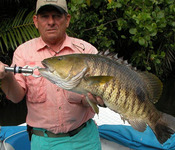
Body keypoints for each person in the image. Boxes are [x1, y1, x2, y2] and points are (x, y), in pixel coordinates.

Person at [0, 0, 104, 149]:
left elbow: (87, 99)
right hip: (44, 141)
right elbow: (16, 97)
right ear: (36, 21)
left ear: (67, 20)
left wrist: (94, 99)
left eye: (56, 16)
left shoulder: (86, 51)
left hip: (85, 138)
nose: (51, 22)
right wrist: (6, 77)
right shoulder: (23, 52)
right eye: (45, 16)